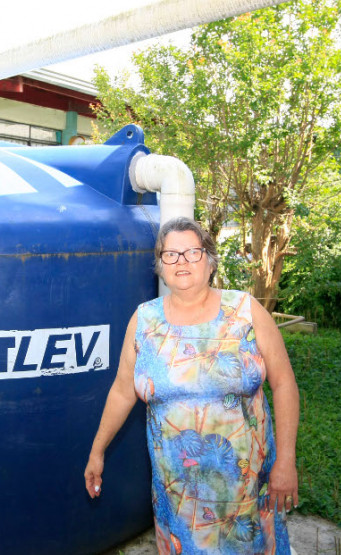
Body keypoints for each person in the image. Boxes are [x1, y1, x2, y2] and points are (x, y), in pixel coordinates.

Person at [84, 217, 299, 554]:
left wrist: (285, 461)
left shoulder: (245, 311)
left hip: (247, 490)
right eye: (170, 254)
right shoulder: (144, 321)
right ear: (160, 266)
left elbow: (284, 384)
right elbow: (122, 391)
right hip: (179, 499)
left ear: (210, 261)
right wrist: (97, 451)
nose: (181, 261)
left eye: (192, 252)